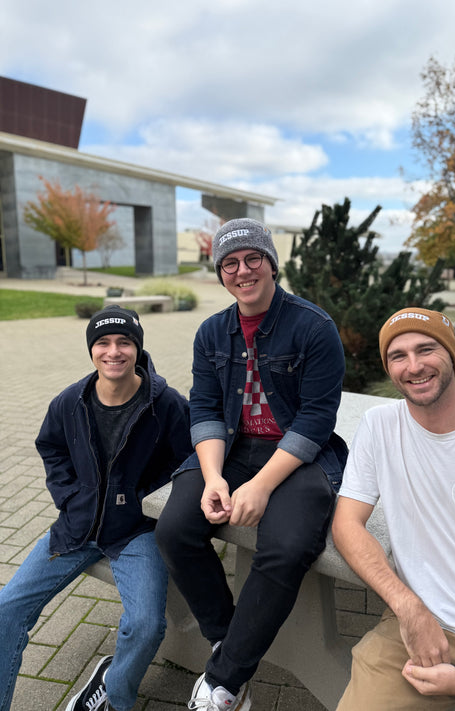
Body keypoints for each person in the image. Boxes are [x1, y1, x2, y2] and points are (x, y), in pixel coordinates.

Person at [155, 218, 348, 711]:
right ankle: (231, 641)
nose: (242, 271)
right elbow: (204, 408)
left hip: (299, 455)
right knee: (174, 529)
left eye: (252, 258)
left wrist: (261, 486)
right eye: (230, 263)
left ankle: (225, 680)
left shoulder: (313, 327)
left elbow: (316, 419)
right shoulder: (211, 332)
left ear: (271, 264)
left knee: (285, 547)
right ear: (221, 274)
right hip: (231, 449)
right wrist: (213, 478)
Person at [332, 307, 455, 711]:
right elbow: (346, 525)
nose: (414, 366)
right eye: (398, 356)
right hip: (416, 630)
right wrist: (408, 607)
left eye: (426, 350)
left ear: (452, 356)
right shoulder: (379, 427)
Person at [0, 305, 192, 711]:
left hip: (135, 532)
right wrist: (71, 498)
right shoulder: (70, 402)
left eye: (124, 342)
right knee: (7, 608)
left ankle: (114, 692)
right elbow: (51, 448)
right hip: (77, 527)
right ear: (91, 350)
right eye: (103, 342)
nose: (113, 351)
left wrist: (145, 500)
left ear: (138, 348)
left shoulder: (167, 404)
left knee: (145, 626)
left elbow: (188, 460)